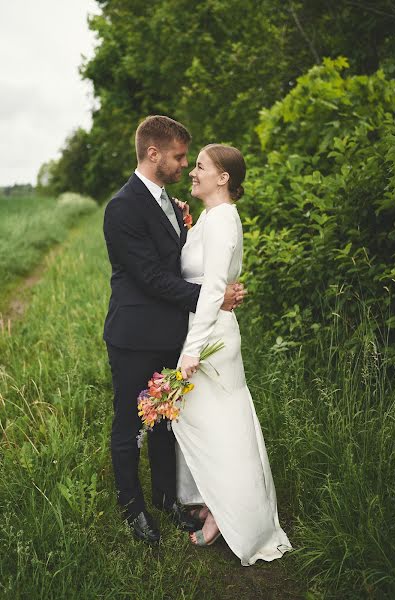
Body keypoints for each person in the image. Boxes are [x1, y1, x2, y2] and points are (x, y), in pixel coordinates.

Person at [103, 116, 244, 544]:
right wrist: (210, 298)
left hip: (170, 334)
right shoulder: (122, 207)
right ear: (153, 154)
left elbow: (183, 258)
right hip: (132, 335)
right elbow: (150, 278)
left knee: (165, 422)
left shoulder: (170, 203)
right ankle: (134, 509)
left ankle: (166, 498)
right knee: (130, 423)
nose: (185, 164)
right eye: (180, 157)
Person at [172, 144, 292, 566]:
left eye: (200, 166)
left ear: (223, 177)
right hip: (202, 333)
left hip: (210, 341)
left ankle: (231, 517)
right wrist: (185, 224)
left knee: (222, 427)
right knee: (205, 423)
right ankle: (212, 501)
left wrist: (192, 349)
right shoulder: (209, 217)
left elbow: (212, 290)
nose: (193, 172)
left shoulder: (223, 219)